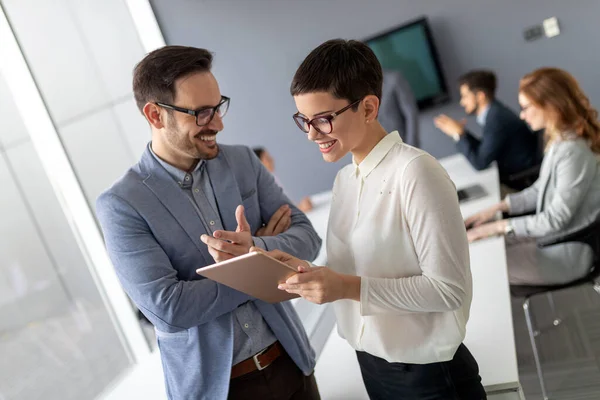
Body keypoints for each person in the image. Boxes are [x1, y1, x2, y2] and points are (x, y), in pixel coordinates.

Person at [257, 39, 486, 399]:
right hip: (371, 365)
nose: (312, 134)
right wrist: (305, 270)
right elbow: (358, 267)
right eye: (304, 120)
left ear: (368, 107)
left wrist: (346, 287)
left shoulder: (415, 172)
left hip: (428, 376)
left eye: (323, 119)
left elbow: (448, 289)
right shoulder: (345, 180)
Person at [95, 46, 322, 400]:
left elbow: (307, 238)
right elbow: (170, 310)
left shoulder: (243, 160)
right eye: (201, 113)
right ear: (155, 115)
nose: (217, 123)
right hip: (219, 391)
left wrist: (256, 248)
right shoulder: (121, 205)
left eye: (218, 107)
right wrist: (257, 270)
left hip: (292, 366)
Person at [465, 67, 600, 285]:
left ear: (552, 107)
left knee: (478, 262)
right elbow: (540, 190)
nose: (521, 114)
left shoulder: (573, 151)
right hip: (552, 242)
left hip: (567, 254)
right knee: (476, 247)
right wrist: (497, 209)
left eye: (526, 107)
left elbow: (555, 220)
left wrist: (499, 226)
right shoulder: (561, 140)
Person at [434, 70, 540, 190]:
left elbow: (480, 162)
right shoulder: (495, 113)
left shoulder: (496, 119)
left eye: (465, 96)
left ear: (480, 96)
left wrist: (458, 134)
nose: (462, 102)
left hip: (521, 182)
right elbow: (483, 150)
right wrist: (462, 133)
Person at [252, 147, 313, 212]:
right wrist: (301, 209)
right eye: (268, 159)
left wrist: (300, 206)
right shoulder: (262, 188)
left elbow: (285, 205)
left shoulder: (272, 179)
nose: (272, 160)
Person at [379, 69, 420, 147]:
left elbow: (411, 114)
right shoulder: (357, 89)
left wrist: (412, 146)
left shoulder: (394, 78)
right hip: (376, 152)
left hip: (401, 145)